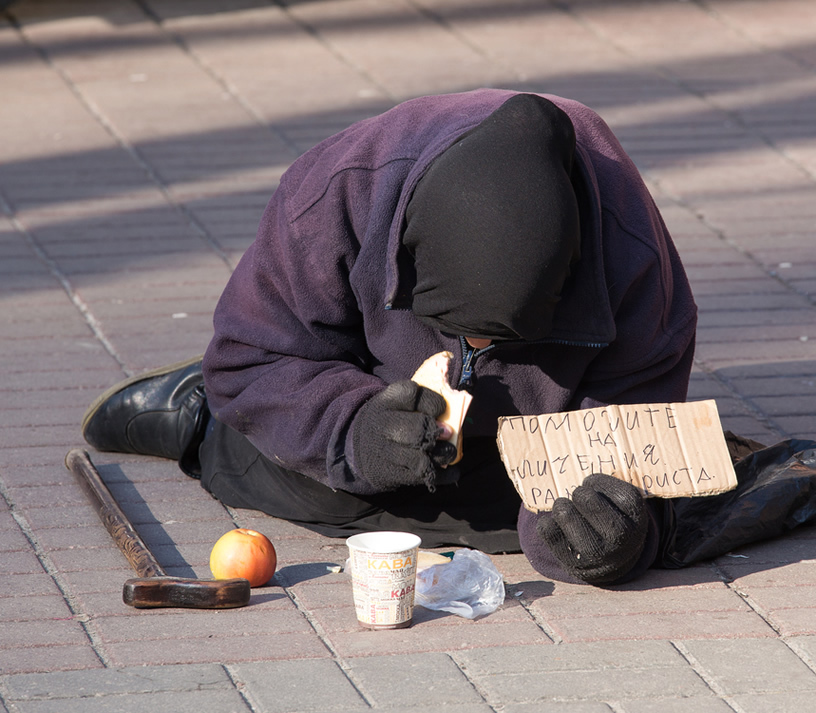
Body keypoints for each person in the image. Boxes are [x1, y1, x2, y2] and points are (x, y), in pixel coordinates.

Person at [81, 89, 698, 586]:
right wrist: (359, 431)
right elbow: (251, 361)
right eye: (461, 334)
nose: (475, 358)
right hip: (364, 382)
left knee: (557, 527)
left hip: (520, 450)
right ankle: (198, 416)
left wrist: (599, 537)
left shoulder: (631, 251)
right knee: (287, 475)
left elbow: (633, 421)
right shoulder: (339, 188)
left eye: (497, 341)